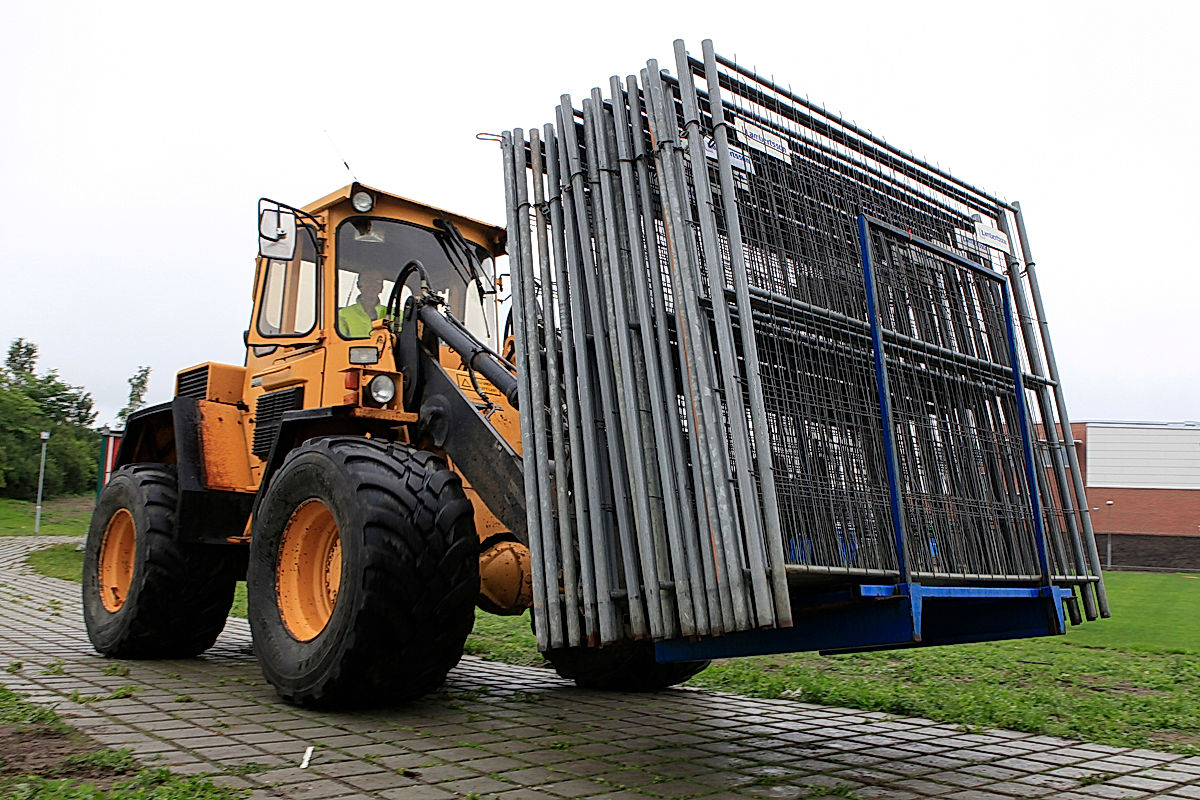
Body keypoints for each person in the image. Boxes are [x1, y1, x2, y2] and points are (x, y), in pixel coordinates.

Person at [337, 270, 389, 338]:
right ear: (358, 285)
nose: (372, 284)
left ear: (382, 287)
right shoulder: (343, 314)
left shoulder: (396, 314)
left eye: (377, 281)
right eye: (368, 281)